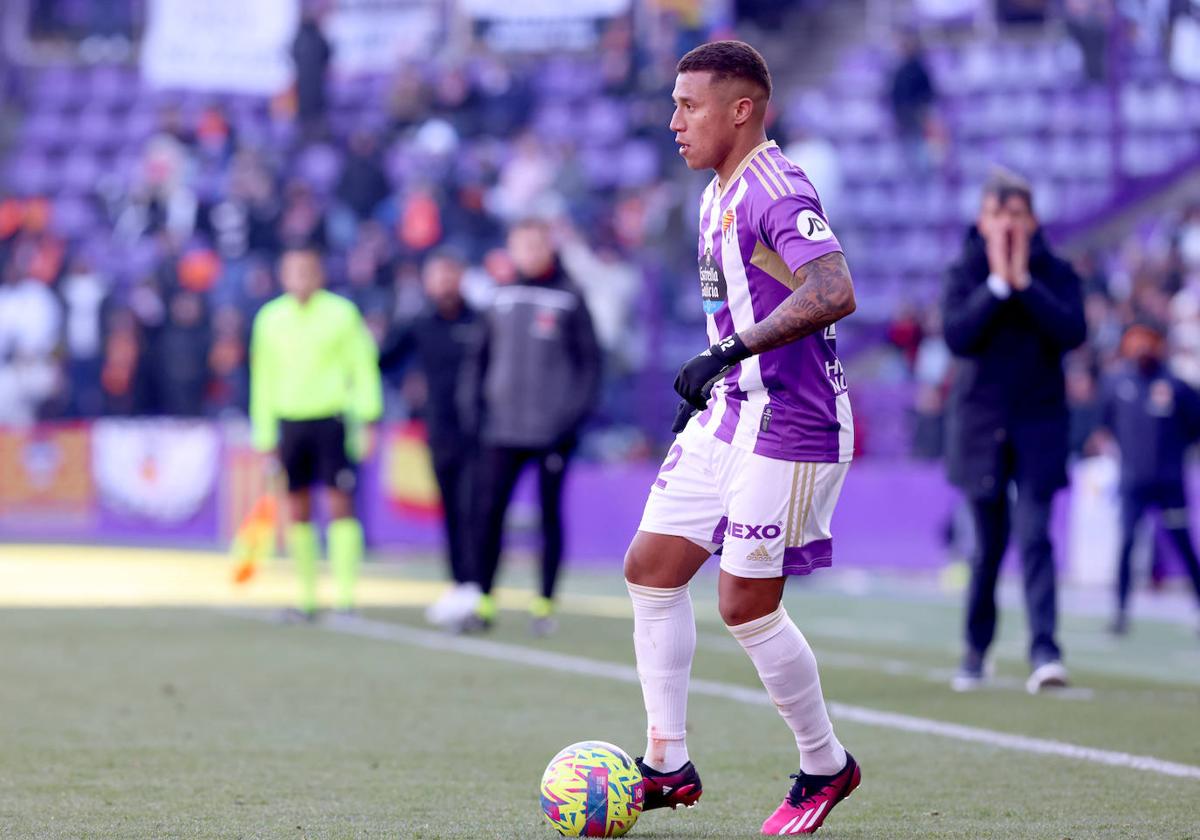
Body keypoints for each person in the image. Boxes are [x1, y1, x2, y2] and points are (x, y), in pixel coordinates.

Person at [625, 41, 860, 836]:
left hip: (793, 423)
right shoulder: (714, 191)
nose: (674, 122)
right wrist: (720, 376)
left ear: (742, 109)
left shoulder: (774, 186)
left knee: (744, 604)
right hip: (732, 412)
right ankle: (667, 761)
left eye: (689, 106)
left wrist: (727, 352)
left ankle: (825, 764)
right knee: (652, 569)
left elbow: (835, 289)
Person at [942, 170, 1087, 693]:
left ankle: (1045, 650)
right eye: (997, 214)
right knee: (988, 545)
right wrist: (998, 285)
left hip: (1040, 424)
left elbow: (1073, 331)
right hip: (982, 426)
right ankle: (976, 651)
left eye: (1016, 214)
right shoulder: (964, 272)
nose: (1006, 224)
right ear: (982, 220)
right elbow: (957, 336)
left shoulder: (1057, 272)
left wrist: (1025, 284)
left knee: (1035, 536)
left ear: (1033, 219)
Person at [458, 219, 601, 636]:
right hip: (500, 428)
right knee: (487, 515)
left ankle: (543, 604)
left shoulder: (570, 298)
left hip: (550, 431)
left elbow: (590, 366)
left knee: (549, 517)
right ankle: (483, 600)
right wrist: (475, 410)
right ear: (510, 249)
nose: (529, 252)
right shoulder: (497, 296)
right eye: (521, 245)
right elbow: (478, 360)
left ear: (549, 247)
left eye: (536, 244)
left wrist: (570, 419)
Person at [250, 247, 382, 620]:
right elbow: (263, 380)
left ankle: (344, 596)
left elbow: (362, 367)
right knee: (297, 509)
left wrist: (369, 418)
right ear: (283, 276)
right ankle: (306, 597)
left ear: (320, 275)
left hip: (332, 420)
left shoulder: (342, 314)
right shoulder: (270, 318)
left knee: (340, 504)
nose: (301, 279)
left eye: (308, 271)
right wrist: (265, 436)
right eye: (293, 272)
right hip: (289, 423)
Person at [379, 250, 483, 627]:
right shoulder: (419, 323)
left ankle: (477, 587)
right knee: (452, 511)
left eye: (450, 274)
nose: (443, 283)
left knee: (477, 511)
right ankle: (460, 585)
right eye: (437, 276)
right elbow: (384, 359)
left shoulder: (481, 321)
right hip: (439, 430)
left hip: (481, 431)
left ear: (462, 277)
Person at [1098, 321, 1200, 635]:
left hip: (1169, 481)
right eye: (1135, 339)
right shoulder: (1116, 383)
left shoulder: (1177, 386)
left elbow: (1195, 426)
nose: (1141, 346)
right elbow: (1106, 425)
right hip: (1133, 481)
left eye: (1147, 340)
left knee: (1182, 543)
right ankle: (1120, 610)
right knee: (1127, 542)